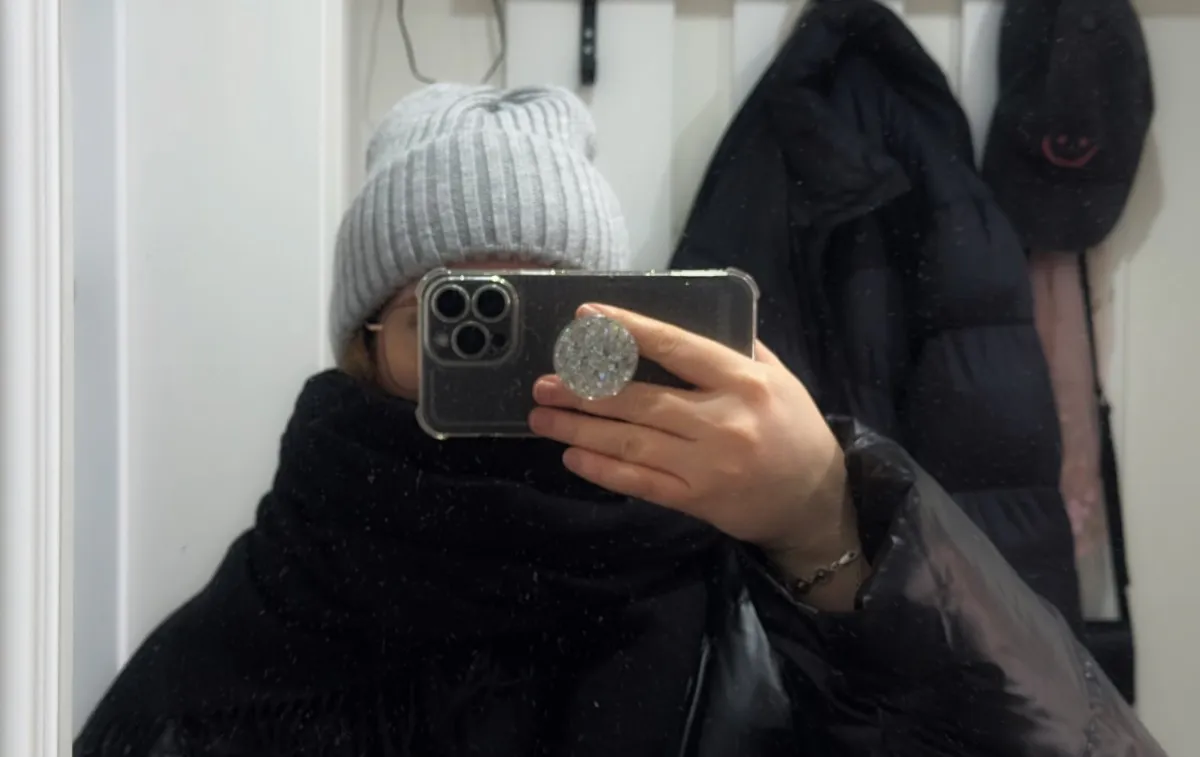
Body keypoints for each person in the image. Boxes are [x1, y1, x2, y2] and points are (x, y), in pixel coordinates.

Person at [76, 84, 1165, 757]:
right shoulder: (239, 652)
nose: (512, 365)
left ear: (620, 325)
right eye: (460, 319)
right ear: (365, 349)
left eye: (551, 315)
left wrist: (829, 519)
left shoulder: (746, 585)